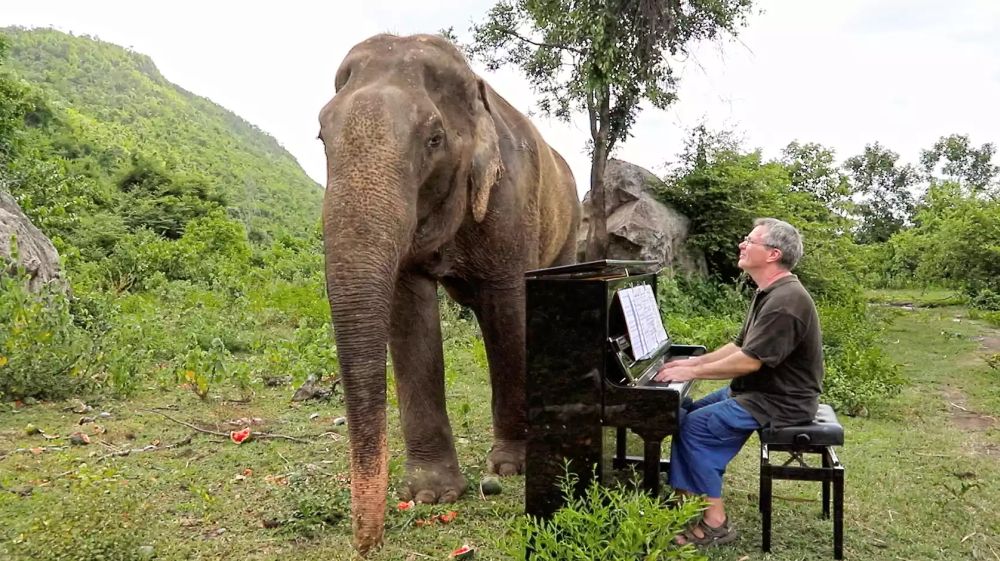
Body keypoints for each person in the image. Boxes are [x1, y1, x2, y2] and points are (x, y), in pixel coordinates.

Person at [653, 217, 824, 547]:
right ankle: (687, 500)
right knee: (683, 414)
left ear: (773, 254)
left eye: (750, 241)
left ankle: (716, 523)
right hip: (759, 392)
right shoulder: (770, 292)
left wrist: (690, 373)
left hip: (781, 401)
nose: (742, 245)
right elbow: (740, 346)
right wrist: (695, 361)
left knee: (697, 427)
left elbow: (749, 361)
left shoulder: (787, 302)